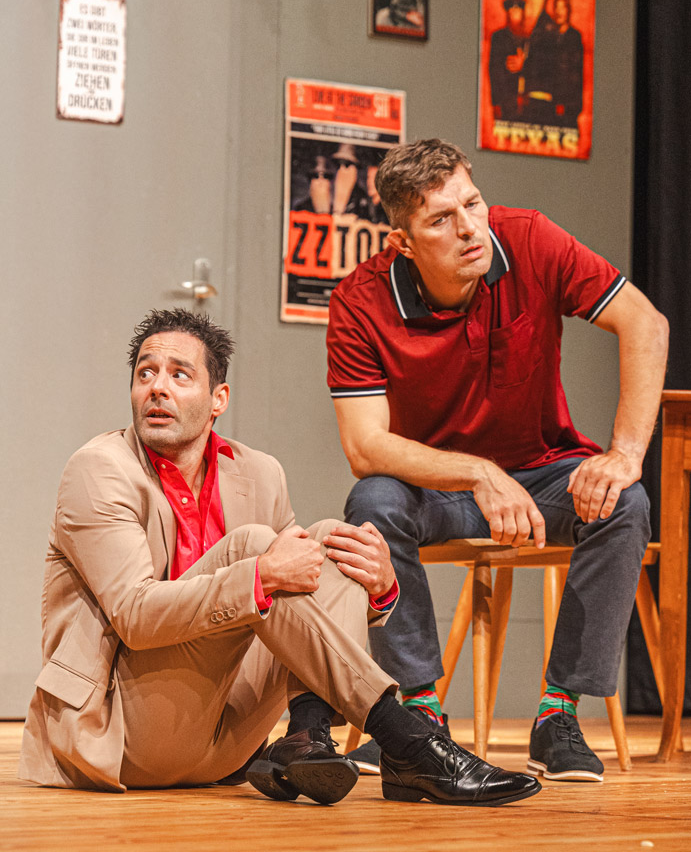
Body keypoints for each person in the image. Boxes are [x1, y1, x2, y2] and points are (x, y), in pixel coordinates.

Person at [19, 307, 540, 807]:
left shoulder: (260, 472)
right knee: (255, 550)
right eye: (145, 373)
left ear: (218, 398)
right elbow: (135, 617)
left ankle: (307, 737)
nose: (157, 387)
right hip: (124, 737)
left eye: (179, 375)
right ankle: (405, 738)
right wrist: (258, 577)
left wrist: (380, 588)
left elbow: (308, 595)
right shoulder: (99, 470)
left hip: (228, 744)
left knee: (331, 543)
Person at [326, 138, 668, 782]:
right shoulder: (359, 301)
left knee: (624, 502)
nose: (469, 229)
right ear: (402, 242)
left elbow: (646, 324)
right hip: (437, 488)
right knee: (372, 503)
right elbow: (365, 447)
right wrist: (480, 473)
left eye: (473, 203)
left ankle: (558, 713)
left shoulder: (530, 239)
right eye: (441, 219)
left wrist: (625, 454)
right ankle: (418, 716)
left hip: (541, 474)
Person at [488, 0, 526, 121]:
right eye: (512, 6)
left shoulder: (528, 39)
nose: (515, 10)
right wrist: (496, 103)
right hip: (505, 100)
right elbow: (494, 71)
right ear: (507, 10)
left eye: (518, 6)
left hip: (525, 102)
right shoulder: (498, 37)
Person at [552, 0, 584, 128]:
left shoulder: (574, 37)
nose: (559, 12)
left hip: (568, 105)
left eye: (563, 7)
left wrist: (563, 103)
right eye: (556, 7)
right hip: (551, 105)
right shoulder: (551, 36)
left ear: (568, 11)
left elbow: (574, 75)